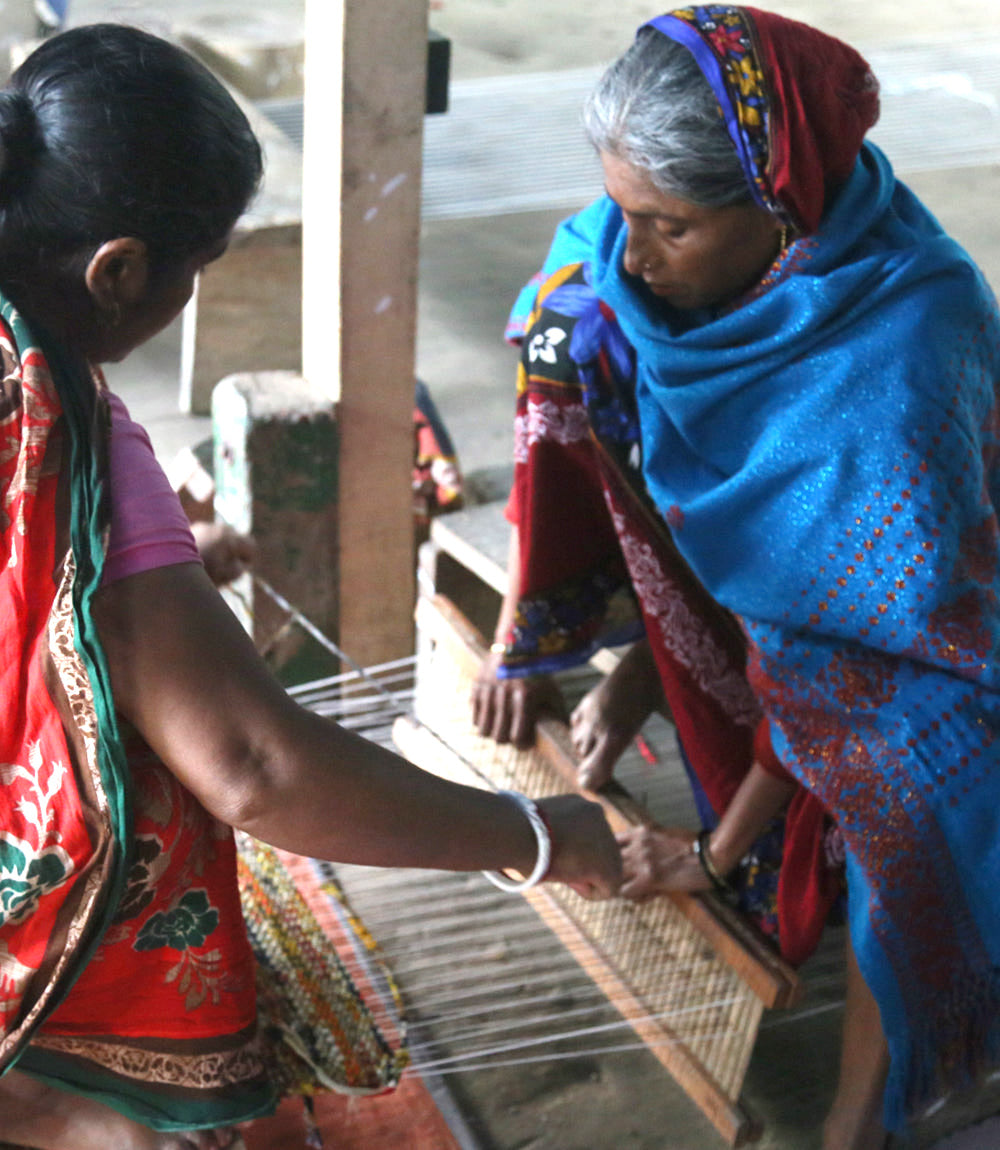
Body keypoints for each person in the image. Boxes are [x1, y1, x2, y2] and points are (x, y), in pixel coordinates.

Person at [0, 24, 622, 1150]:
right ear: (120, 269)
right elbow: (252, 767)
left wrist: (147, 565)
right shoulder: (74, 443)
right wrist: (534, 833)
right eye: (199, 269)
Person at [474, 7, 1000, 1148]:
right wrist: (566, 639)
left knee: (905, 790)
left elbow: (857, 671)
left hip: (929, 655)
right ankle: (662, 669)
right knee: (559, 328)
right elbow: (572, 296)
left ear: (778, 208)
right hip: (794, 623)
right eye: (621, 207)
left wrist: (708, 859)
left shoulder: (898, 354)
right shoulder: (639, 262)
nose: (636, 252)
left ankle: (857, 1115)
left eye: (666, 225)